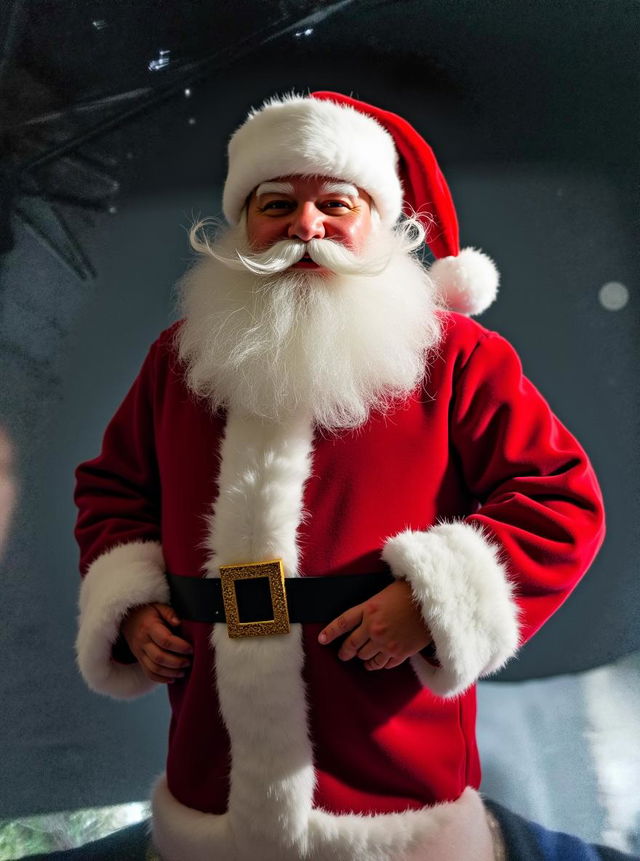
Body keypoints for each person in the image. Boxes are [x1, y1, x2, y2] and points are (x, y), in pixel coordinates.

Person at [74, 92, 606, 861]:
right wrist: (128, 604)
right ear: (243, 223)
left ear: (381, 222)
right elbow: (113, 489)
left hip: (391, 776)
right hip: (209, 767)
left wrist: (434, 600)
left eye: (336, 202)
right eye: (277, 203)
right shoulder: (180, 357)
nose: (305, 225)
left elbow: (559, 495)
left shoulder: (455, 354)